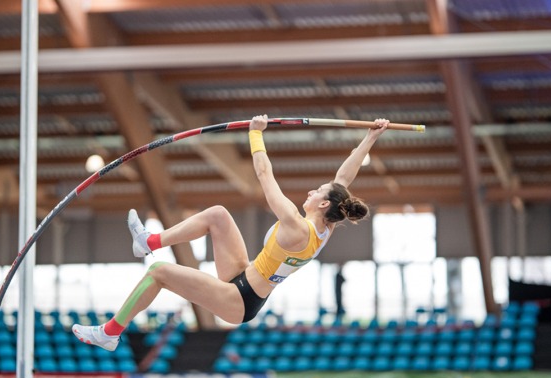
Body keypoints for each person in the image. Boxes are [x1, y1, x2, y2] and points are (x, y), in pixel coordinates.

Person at [72, 114, 390, 350]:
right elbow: (344, 177)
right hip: (244, 274)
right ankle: (149, 241)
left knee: (158, 272)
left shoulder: (297, 225)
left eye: (318, 191)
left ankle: (111, 333)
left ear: (323, 205)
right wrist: (370, 137)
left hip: (240, 300)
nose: (311, 191)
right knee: (218, 216)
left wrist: (256, 134)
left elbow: (264, 174)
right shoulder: (327, 226)